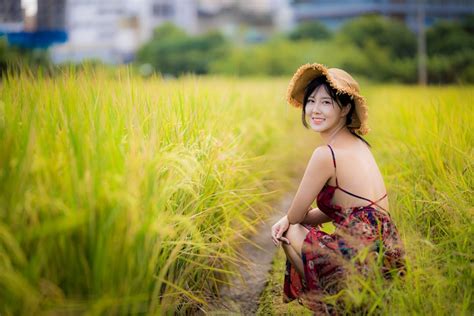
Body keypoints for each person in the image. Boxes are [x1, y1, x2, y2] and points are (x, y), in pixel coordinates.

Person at [271, 63, 406, 314]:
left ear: (345, 108)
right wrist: (290, 217)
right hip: (388, 255)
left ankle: (334, 307)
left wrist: (287, 220)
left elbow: (297, 217)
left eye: (326, 102)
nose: (315, 109)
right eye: (311, 101)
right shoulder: (360, 145)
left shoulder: (326, 154)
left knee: (289, 232)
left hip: (359, 259)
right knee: (292, 225)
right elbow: (351, 207)